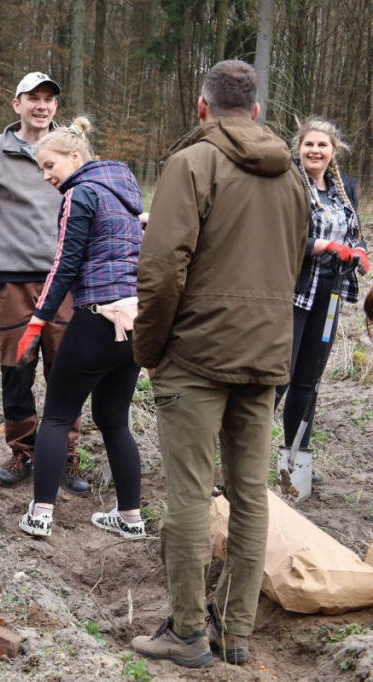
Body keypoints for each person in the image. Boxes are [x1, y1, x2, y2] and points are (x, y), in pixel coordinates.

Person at [131, 60, 308, 667]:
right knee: (251, 493)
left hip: (197, 354)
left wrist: (148, 349)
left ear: (203, 108)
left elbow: (159, 270)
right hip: (265, 353)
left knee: (188, 493)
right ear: (255, 111)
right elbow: (296, 264)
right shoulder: (293, 178)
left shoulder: (192, 163)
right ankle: (235, 632)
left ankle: (186, 632)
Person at [0, 71, 88, 495]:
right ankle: (23, 451)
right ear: (17, 104)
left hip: (65, 281)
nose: (42, 105)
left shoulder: (73, 152)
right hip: (12, 284)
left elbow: (95, 205)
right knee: (17, 372)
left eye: (49, 99)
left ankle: (64, 456)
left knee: (66, 371)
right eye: (33, 98)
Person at [13, 118, 144, 540]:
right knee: (113, 419)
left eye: (50, 166)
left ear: (75, 157)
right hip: (135, 322)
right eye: (41, 170)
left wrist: (38, 319)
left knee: (56, 417)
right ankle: (130, 518)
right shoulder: (127, 189)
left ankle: (40, 515)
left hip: (96, 319)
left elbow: (64, 264)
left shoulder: (80, 194)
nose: (47, 176)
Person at [276, 118, 366, 483]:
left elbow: (353, 231)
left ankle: (296, 463)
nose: (315, 151)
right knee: (279, 377)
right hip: (294, 292)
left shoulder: (344, 188)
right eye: (308, 144)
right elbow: (280, 235)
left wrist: (358, 251)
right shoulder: (289, 183)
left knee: (308, 381)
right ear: (299, 147)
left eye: (322, 145)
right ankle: (241, 457)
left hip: (329, 294)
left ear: (334, 151)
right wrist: (321, 246)